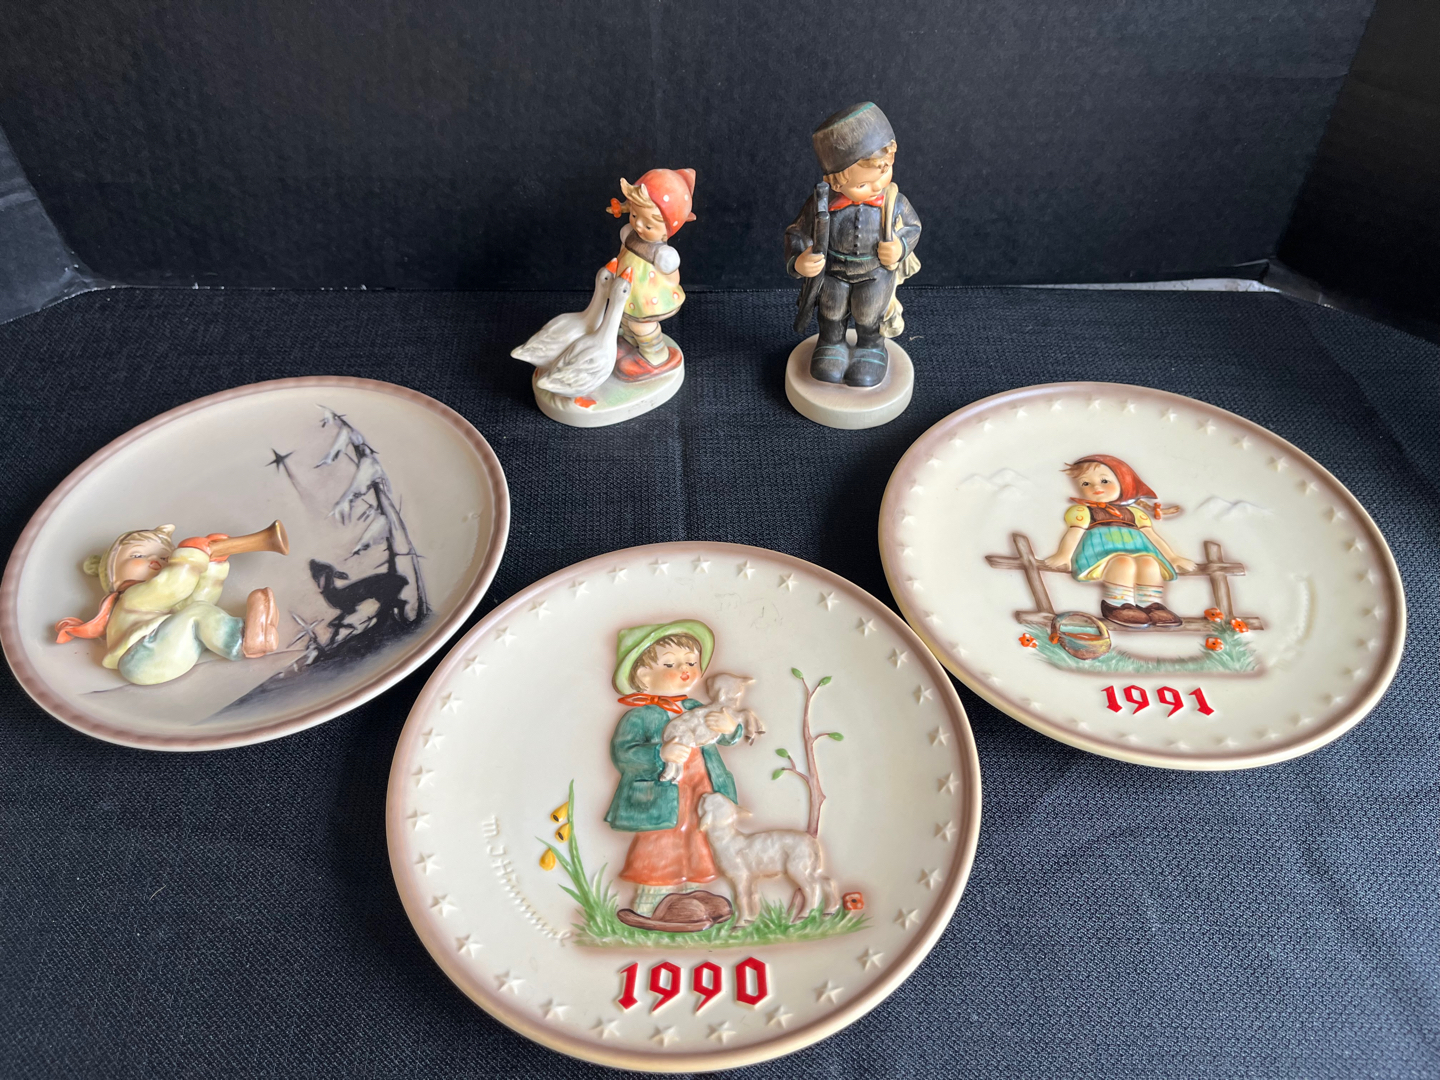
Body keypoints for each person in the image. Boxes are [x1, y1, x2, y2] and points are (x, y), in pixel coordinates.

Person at [604, 619, 743, 931]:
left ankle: (688, 895)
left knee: (696, 839)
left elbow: (725, 736)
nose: (685, 670)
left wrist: (729, 728)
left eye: (691, 662)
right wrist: (659, 753)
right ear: (644, 675)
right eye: (671, 664)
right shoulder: (640, 715)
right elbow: (623, 754)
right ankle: (651, 901)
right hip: (660, 794)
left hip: (699, 788)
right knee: (660, 843)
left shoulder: (696, 706)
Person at [785, 102, 922, 387]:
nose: (877, 186)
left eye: (884, 173)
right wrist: (800, 259)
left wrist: (900, 246)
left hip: (874, 273)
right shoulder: (821, 204)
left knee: (868, 312)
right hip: (833, 271)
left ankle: (870, 349)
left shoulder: (893, 202)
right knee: (831, 311)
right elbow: (797, 232)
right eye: (862, 185)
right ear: (835, 183)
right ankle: (830, 345)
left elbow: (913, 227)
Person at [55, 524, 279, 685]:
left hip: (164, 651)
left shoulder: (163, 601)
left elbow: (197, 600)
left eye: (165, 558)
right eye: (138, 555)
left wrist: (212, 567)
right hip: (140, 658)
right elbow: (173, 586)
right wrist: (190, 556)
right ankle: (243, 639)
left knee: (197, 611)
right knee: (197, 613)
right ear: (114, 575)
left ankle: (258, 633)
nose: (155, 561)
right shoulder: (132, 596)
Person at [1040, 456, 1197, 627]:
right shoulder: (1084, 511)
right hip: (1100, 553)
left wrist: (1173, 557)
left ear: (1123, 483)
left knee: (1149, 562)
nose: (1096, 487)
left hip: (1139, 548)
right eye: (1086, 483)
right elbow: (1074, 533)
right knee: (1123, 562)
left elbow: (1152, 536)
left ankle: (1150, 605)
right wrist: (1064, 555)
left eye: (1104, 481)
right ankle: (1117, 604)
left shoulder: (1135, 513)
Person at [604, 168, 697, 381]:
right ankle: (630, 342)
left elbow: (672, 275)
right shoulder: (630, 234)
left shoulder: (662, 254)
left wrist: (670, 280)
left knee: (641, 324)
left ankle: (656, 356)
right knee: (624, 319)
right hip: (628, 291)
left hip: (648, 298)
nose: (638, 224)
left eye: (648, 224)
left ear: (668, 229)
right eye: (634, 215)